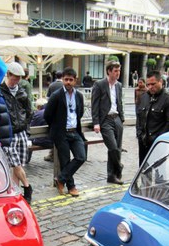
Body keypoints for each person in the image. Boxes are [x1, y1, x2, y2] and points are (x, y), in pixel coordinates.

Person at [44, 67, 86, 197]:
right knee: (65, 161)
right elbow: (47, 115)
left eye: (71, 80)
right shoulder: (56, 95)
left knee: (81, 157)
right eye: (66, 79)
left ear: (75, 80)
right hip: (61, 133)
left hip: (75, 131)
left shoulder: (79, 95)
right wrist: (57, 127)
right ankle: (71, 187)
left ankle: (60, 179)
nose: (68, 82)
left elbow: (80, 112)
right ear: (62, 79)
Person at [0, 62, 34, 203]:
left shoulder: (21, 92)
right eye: (14, 78)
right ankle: (27, 187)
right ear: (8, 75)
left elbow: (29, 111)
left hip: (21, 132)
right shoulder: (1, 91)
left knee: (17, 166)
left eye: (19, 78)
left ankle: (16, 194)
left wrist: (25, 126)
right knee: (15, 162)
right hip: (8, 133)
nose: (16, 81)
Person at [91, 60, 125, 184]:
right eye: (115, 71)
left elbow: (119, 102)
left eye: (119, 70)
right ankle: (119, 167)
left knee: (118, 148)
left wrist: (122, 118)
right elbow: (94, 104)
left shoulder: (119, 85)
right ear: (109, 71)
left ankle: (112, 175)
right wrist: (96, 122)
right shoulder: (99, 84)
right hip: (105, 120)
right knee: (113, 147)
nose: (118, 73)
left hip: (117, 118)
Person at [136, 70, 169, 165]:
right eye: (148, 84)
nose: (150, 87)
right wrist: (139, 133)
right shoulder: (144, 97)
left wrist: (159, 139)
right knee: (143, 168)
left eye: (153, 84)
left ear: (160, 82)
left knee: (159, 170)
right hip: (143, 141)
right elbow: (139, 117)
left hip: (159, 143)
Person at [28, 97, 53, 163]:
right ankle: (52, 155)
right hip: (54, 140)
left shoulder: (37, 114)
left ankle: (27, 159)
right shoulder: (53, 111)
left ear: (38, 106)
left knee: (29, 139)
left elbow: (30, 129)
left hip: (42, 141)